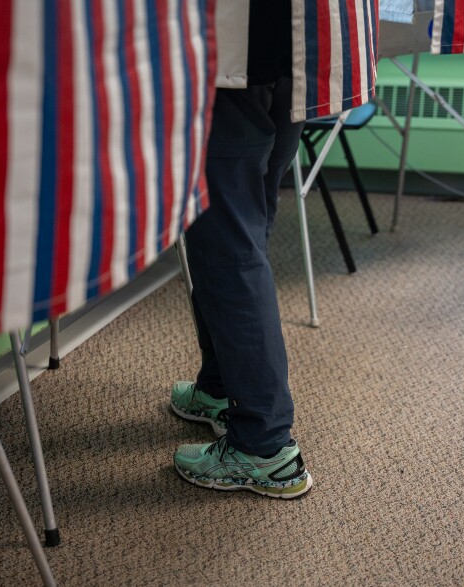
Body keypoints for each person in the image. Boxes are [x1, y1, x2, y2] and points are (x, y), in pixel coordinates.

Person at [169, 0, 312, 499]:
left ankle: (264, 446)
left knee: (227, 244)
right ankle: (220, 387)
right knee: (245, 234)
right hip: (300, 40)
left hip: (234, 50)